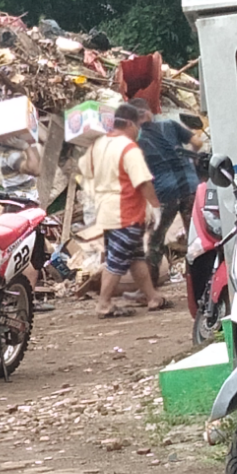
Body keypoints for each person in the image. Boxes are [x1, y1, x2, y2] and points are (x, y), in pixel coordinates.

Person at [77, 103, 168, 317]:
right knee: (116, 261)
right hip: (125, 213)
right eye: (137, 126)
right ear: (129, 123)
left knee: (135, 257)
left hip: (108, 211)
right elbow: (143, 181)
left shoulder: (97, 145)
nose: (138, 131)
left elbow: (85, 170)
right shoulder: (128, 148)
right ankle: (104, 304)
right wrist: (156, 208)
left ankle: (152, 297)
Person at [129, 98, 201, 285]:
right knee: (195, 236)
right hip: (190, 188)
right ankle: (201, 281)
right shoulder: (170, 125)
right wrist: (193, 162)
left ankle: (150, 287)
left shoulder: (136, 141)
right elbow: (198, 143)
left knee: (154, 241)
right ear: (149, 113)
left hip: (165, 194)